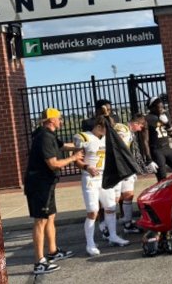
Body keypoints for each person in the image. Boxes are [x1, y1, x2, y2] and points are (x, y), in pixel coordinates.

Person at [24, 108, 83, 274]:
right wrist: (74, 158)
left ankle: (53, 251)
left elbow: (63, 146)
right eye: (59, 118)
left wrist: (86, 143)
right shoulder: (44, 137)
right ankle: (39, 262)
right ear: (51, 120)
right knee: (40, 221)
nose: (61, 120)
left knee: (50, 217)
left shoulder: (49, 135)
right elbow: (53, 164)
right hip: (39, 185)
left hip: (47, 183)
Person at [73, 120, 129, 256]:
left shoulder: (108, 138)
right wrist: (87, 167)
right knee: (93, 211)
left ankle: (113, 236)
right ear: (98, 126)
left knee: (110, 207)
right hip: (90, 178)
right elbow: (76, 160)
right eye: (106, 127)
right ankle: (90, 244)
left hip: (105, 177)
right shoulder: (84, 137)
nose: (108, 130)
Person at [112, 120, 143, 234]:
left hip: (125, 166)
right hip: (120, 166)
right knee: (114, 198)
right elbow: (122, 149)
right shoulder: (123, 129)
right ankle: (108, 226)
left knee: (128, 195)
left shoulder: (127, 131)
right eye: (140, 124)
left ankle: (127, 223)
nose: (141, 128)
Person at [144, 97, 172, 181]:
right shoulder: (148, 119)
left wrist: (167, 124)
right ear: (151, 108)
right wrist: (148, 159)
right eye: (158, 107)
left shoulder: (165, 115)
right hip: (157, 151)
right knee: (162, 178)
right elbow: (145, 141)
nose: (161, 109)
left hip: (167, 147)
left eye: (162, 107)